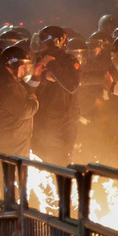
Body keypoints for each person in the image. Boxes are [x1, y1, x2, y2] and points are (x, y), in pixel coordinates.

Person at [30, 26, 82, 166]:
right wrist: (41, 76)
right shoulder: (38, 59)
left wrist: (51, 63)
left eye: (43, 40)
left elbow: (71, 85)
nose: (40, 43)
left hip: (61, 128)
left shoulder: (68, 60)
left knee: (59, 168)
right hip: (40, 125)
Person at [0, 46, 42, 158]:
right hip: (11, 144)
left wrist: (35, 77)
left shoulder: (8, 81)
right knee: (11, 173)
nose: (25, 71)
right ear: (13, 64)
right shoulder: (7, 85)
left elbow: (24, 93)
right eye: (23, 67)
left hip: (11, 141)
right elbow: (24, 111)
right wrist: (34, 101)